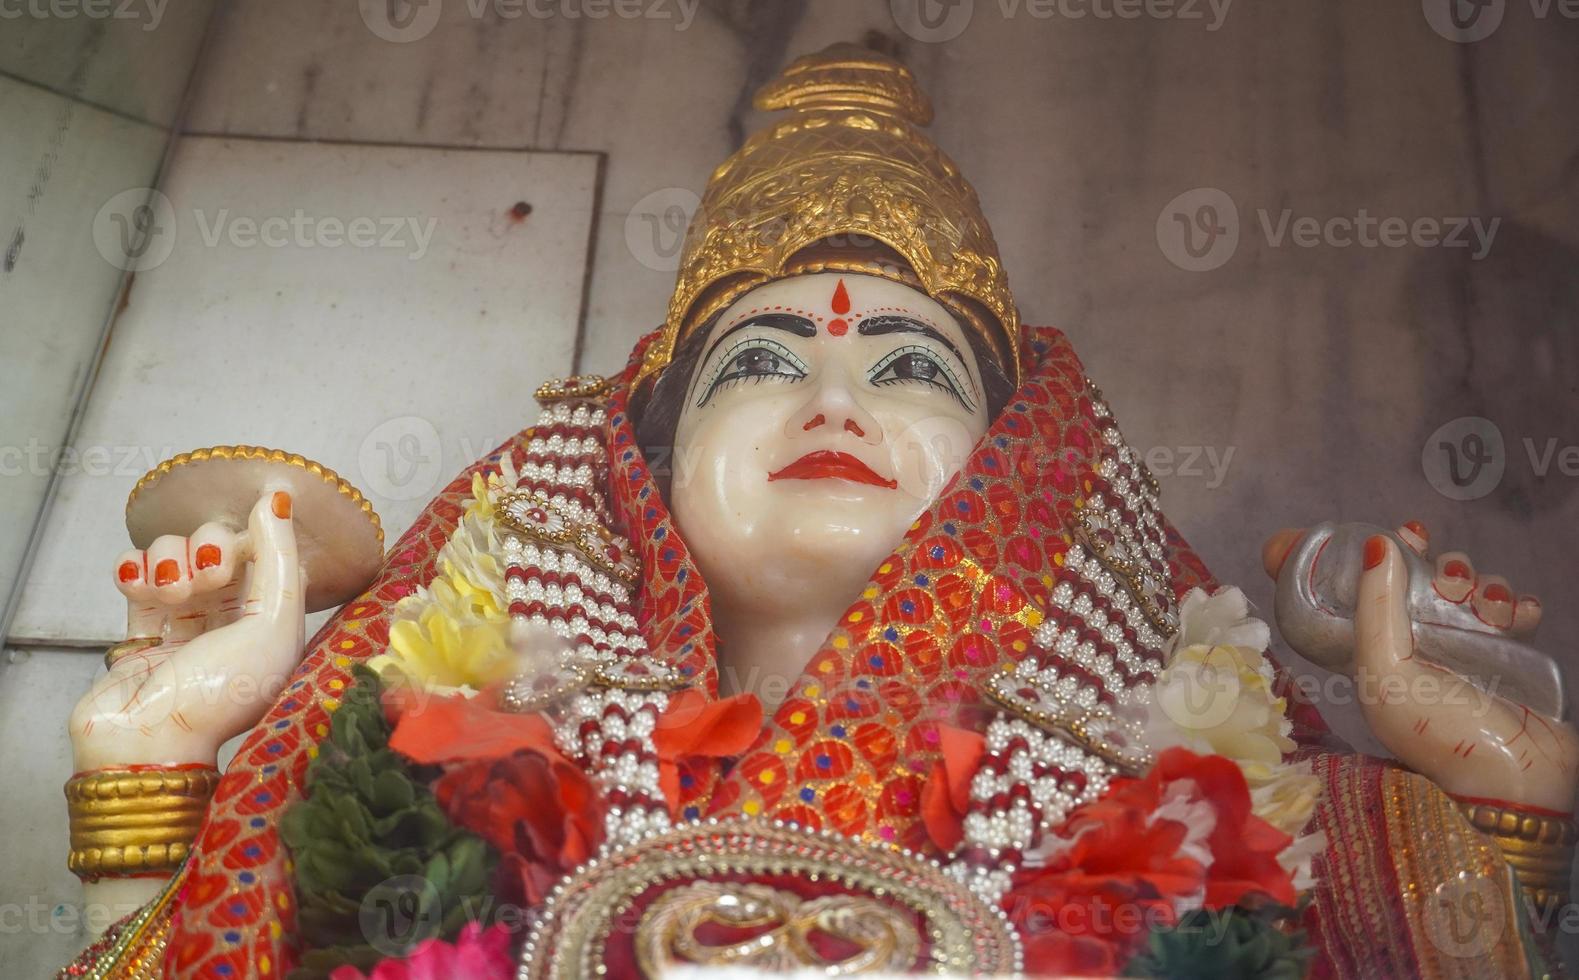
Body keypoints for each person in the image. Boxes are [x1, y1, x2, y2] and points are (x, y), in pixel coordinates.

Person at [63, 43, 1574, 978]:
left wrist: (1496, 814)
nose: (835, 399)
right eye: (765, 358)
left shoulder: (1259, 824)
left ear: (1014, 462)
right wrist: (155, 758)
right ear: (642, 462)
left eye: (908, 364)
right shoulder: (417, 786)